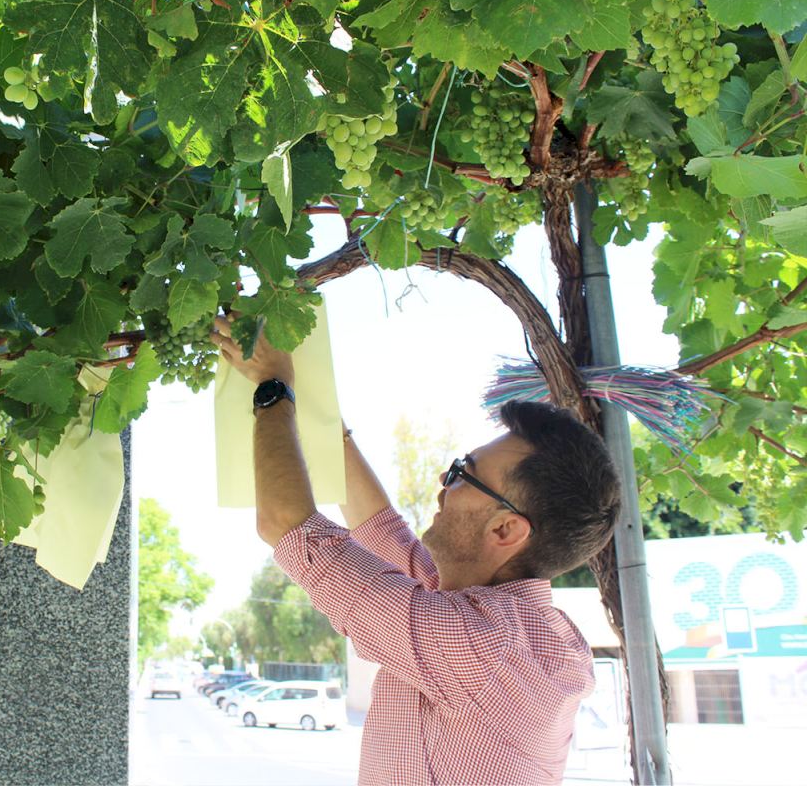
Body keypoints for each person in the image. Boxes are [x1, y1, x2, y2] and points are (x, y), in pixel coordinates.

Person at [209, 313, 621, 786]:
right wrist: (316, 409)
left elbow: (288, 524)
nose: (444, 481)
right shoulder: (507, 623)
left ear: (506, 530)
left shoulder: (482, 645)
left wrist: (273, 387)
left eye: (463, 474)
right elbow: (380, 531)